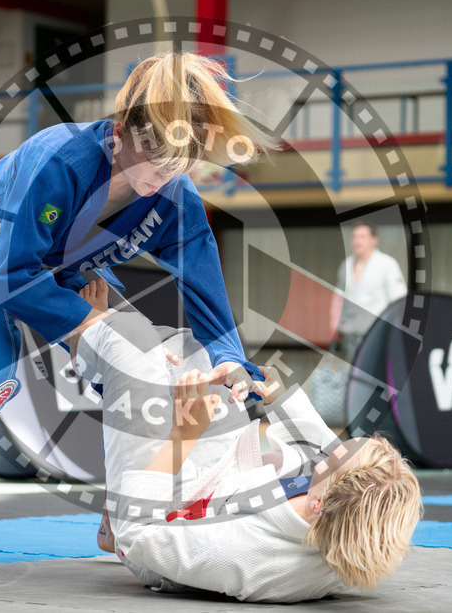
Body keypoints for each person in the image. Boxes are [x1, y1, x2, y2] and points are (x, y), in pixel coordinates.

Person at [0, 52, 276, 577]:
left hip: (61, 262)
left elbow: (209, 300)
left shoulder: (177, 196)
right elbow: (12, 276)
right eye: (156, 158)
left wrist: (234, 364)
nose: (163, 176)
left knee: (147, 368)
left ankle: (117, 513)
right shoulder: (64, 160)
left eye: (178, 164)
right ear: (121, 133)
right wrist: (89, 323)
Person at [73, 279, 423, 602]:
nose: (329, 450)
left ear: (317, 504)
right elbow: (323, 457)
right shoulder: (346, 513)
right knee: (199, 351)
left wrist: (183, 436)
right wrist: (278, 398)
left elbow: (138, 536)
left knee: (125, 341)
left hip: (164, 515)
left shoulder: (247, 557)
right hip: (224, 476)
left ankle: (82, 339)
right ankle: (113, 357)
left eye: (333, 457)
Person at [331, 221, 407, 362]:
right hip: (349, 332)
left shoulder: (387, 264)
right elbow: (338, 297)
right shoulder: (346, 265)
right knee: (353, 372)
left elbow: (399, 300)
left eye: (362, 236)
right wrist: (335, 324)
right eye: (355, 237)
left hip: (376, 333)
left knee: (373, 372)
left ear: (374, 240)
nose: (357, 241)